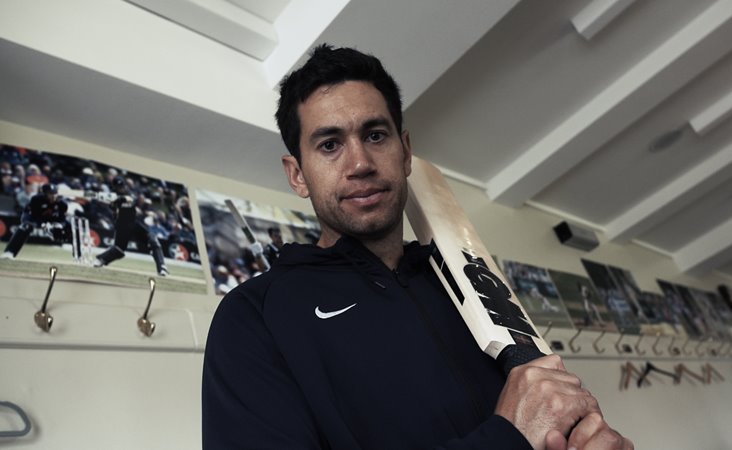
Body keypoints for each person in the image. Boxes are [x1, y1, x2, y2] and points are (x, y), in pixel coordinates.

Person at [202, 44, 632, 450]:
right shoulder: (254, 318)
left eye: (375, 135)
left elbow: (546, 417)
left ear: (405, 152)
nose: (360, 164)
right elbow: (518, 430)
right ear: (297, 174)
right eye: (329, 144)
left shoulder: (465, 283)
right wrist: (505, 438)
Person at [92, 176, 169, 276]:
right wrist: (105, 199)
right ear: (114, 187)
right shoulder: (112, 197)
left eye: (122, 186)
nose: (121, 188)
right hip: (122, 225)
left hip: (134, 223)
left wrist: (120, 199)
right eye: (118, 187)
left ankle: (162, 267)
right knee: (119, 250)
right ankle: (101, 259)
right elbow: (109, 204)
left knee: (153, 240)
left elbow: (130, 200)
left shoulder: (129, 194)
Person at [1, 183, 69, 259]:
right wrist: (40, 224)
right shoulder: (36, 200)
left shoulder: (62, 203)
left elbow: (63, 219)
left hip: (52, 220)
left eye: (55, 193)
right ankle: (9, 252)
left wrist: (59, 225)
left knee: (69, 226)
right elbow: (28, 215)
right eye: (50, 193)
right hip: (36, 219)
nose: (53, 196)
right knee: (25, 227)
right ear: (44, 194)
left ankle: (69, 246)